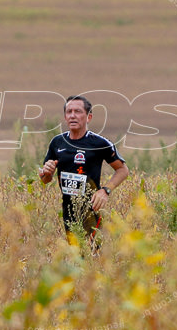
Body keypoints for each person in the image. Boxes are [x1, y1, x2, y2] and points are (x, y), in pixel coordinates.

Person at [39, 95, 129, 243]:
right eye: (69, 112)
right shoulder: (57, 142)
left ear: (89, 117)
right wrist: (46, 172)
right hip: (68, 209)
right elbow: (45, 179)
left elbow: (123, 170)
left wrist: (105, 190)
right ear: (65, 116)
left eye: (78, 111)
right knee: (76, 254)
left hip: (92, 209)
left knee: (92, 253)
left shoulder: (100, 143)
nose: (73, 115)